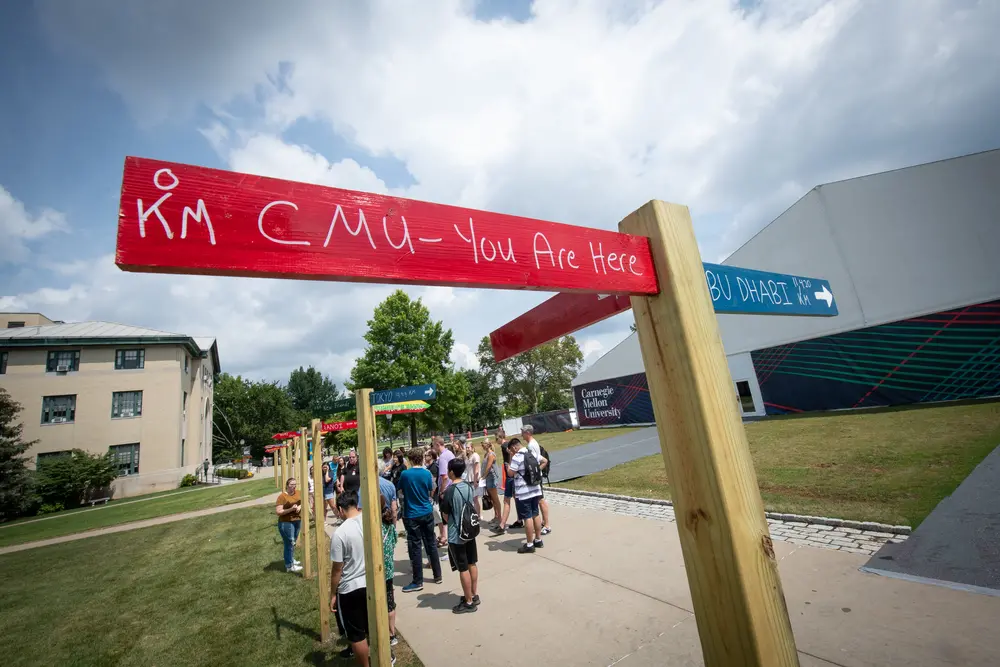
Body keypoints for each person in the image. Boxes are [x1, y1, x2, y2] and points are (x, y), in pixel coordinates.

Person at [330, 492, 391, 666]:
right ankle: (385, 657)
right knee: (375, 626)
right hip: (373, 583)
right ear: (356, 504)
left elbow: (337, 569)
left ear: (341, 510)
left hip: (350, 588)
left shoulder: (340, 533)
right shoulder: (370, 521)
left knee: (357, 634)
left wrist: (332, 593)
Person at [399, 448, 442, 592]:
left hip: (412, 514)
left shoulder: (405, 474)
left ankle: (418, 581)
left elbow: (400, 490)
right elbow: (431, 489)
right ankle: (437, 574)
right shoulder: (427, 473)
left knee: (416, 546)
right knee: (430, 543)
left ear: (410, 460)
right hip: (426, 511)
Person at [441, 457, 480, 614]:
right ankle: (474, 594)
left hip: (456, 534)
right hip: (469, 530)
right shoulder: (468, 487)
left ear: (451, 472)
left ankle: (469, 601)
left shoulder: (450, 491)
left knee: (462, 568)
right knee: (472, 563)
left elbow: (445, 515)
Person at [509, 437, 545, 553]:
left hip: (523, 492)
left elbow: (510, 473)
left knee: (527, 517)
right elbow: (544, 460)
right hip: (535, 489)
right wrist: (537, 472)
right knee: (536, 514)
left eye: (511, 450)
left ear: (515, 447)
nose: (512, 452)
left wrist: (510, 459)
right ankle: (538, 539)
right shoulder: (532, 453)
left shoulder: (516, 457)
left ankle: (529, 544)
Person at [520, 425, 552, 535]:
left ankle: (547, 525)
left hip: (535, 478)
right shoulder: (532, 444)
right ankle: (543, 522)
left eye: (523, 432)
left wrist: (536, 471)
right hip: (536, 476)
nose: (521, 435)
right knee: (539, 499)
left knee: (540, 500)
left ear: (528, 433)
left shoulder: (531, 446)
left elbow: (536, 461)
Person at [379, 494, 399, 646]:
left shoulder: (372, 527)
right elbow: (394, 542)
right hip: (389, 569)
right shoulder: (389, 525)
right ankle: (392, 633)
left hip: (377, 571)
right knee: (390, 601)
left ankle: (381, 630)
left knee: (380, 601)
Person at [275, 477, 303, 573]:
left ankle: (291, 559)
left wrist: (300, 506)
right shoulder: (282, 497)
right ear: (287, 485)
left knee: (293, 542)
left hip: (297, 520)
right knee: (289, 543)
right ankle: (289, 566)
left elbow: (305, 501)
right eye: (291, 485)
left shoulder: (299, 493)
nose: (293, 487)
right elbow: (278, 512)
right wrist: (290, 509)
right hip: (286, 522)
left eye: (295, 484)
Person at [433, 437, 455, 547]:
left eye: (433, 445)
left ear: (438, 444)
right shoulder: (450, 453)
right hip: (454, 486)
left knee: (446, 517)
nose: (433, 448)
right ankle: (448, 538)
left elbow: (444, 477)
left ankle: (449, 540)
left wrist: (441, 491)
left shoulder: (442, 458)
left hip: (446, 489)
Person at [482, 439, 502, 525]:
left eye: (484, 444)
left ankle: (500, 517)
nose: (482, 445)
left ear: (488, 445)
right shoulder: (486, 454)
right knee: (492, 498)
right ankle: (496, 516)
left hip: (491, 478)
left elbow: (489, 467)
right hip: (487, 478)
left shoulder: (491, 454)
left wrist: (483, 477)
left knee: (495, 498)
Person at [463, 441, 482, 514]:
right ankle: (473, 514)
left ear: (472, 448)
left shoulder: (475, 456)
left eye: (468, 447)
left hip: (473, 480)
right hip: (468, 480)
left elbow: (476, 469)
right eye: (466, 447)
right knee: (471, 499)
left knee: (475, 499)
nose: (467, 449)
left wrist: (475, 481)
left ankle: (478, 515)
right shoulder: (467, 457)